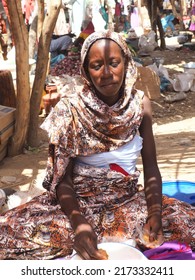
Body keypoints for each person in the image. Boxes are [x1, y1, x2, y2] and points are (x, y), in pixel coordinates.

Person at [0, 30, 194, 260]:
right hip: (78, 205)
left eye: (114, 63)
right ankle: (100, 236)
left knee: (186, 222)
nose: (106, 73)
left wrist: (155, 213)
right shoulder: (69, 111)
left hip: (128, 203)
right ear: (85, 70)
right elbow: (62, 179)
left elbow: (151, 168)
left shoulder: (140, 104)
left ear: (126, 63)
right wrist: (80, 224)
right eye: (96, 65)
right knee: (10, 232)